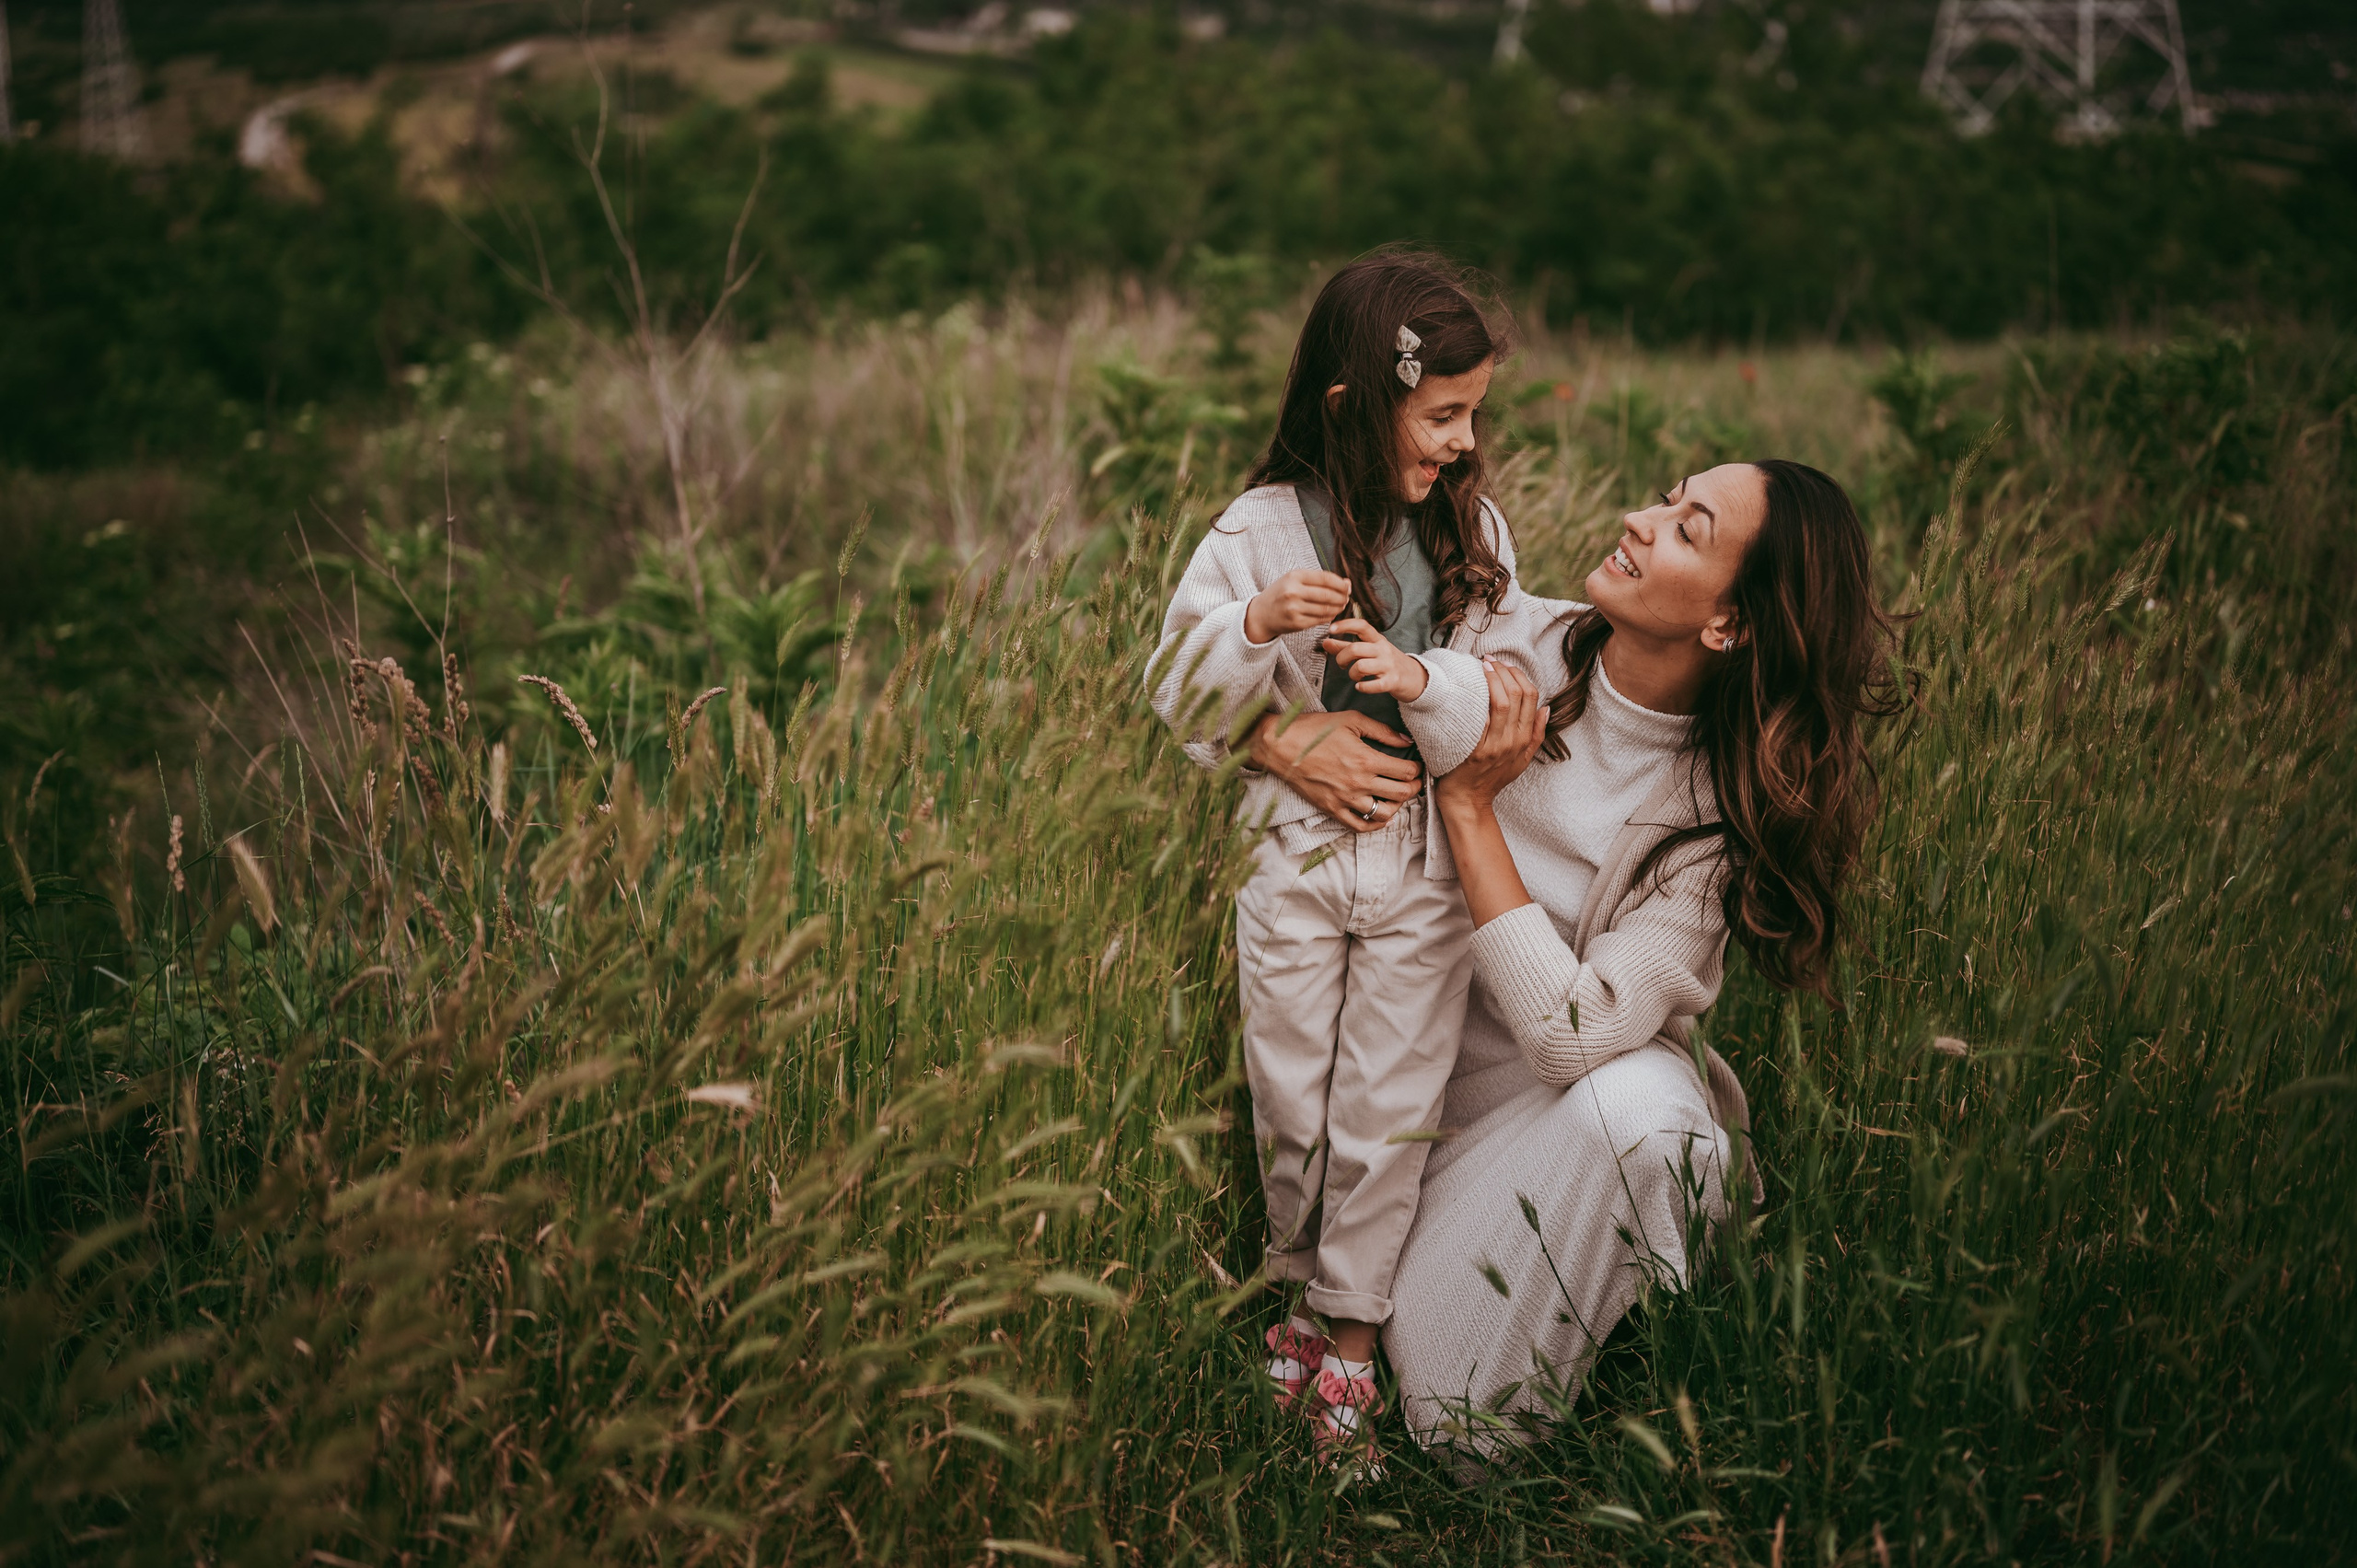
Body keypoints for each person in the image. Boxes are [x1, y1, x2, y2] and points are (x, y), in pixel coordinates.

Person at [1245, 459, 1898, 1457]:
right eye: (1666, 495)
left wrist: (1467, 804)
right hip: (1385, 1102)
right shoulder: (1497, 639)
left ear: (1730, 624)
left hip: (1551, 1132)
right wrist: (1275, 738)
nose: (1640, 518)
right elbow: (1287, 685)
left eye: (1688, 528)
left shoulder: (1710, 823)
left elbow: (1568, 1035)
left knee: (1643, 1114)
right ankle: (1373, 1307)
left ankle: (1493, 1407)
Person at [1144, 250, 1525, 1470]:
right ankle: (1303, 1297)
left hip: (1420, 855)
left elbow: (1503, 688)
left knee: (1391, 1096)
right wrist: (1253, 636)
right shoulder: (1256, 533)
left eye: (1473, 415)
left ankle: (1352, 1331)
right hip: (1296, 857)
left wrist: (1434, 687)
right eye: (1444, 415)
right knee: (1292, 1082)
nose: (1464, 444)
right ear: (1358, 404)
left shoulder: (1478, 533)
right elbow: (1172, 688)